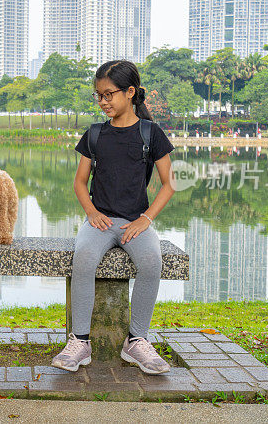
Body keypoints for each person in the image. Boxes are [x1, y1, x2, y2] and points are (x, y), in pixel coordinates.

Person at [52, 60, 176, 375]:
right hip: (100, 221)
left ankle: (136, 341)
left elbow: (169, 184)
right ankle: (80, 342)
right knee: (83, 259)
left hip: (136, 221)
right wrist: (91, 213)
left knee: (151, 263)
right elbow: (80, 183)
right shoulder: (94, 135)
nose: (104, 101)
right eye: (99, 96)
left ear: (130, 92)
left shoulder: (151, 133)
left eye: (110, 94)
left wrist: (145, 219)